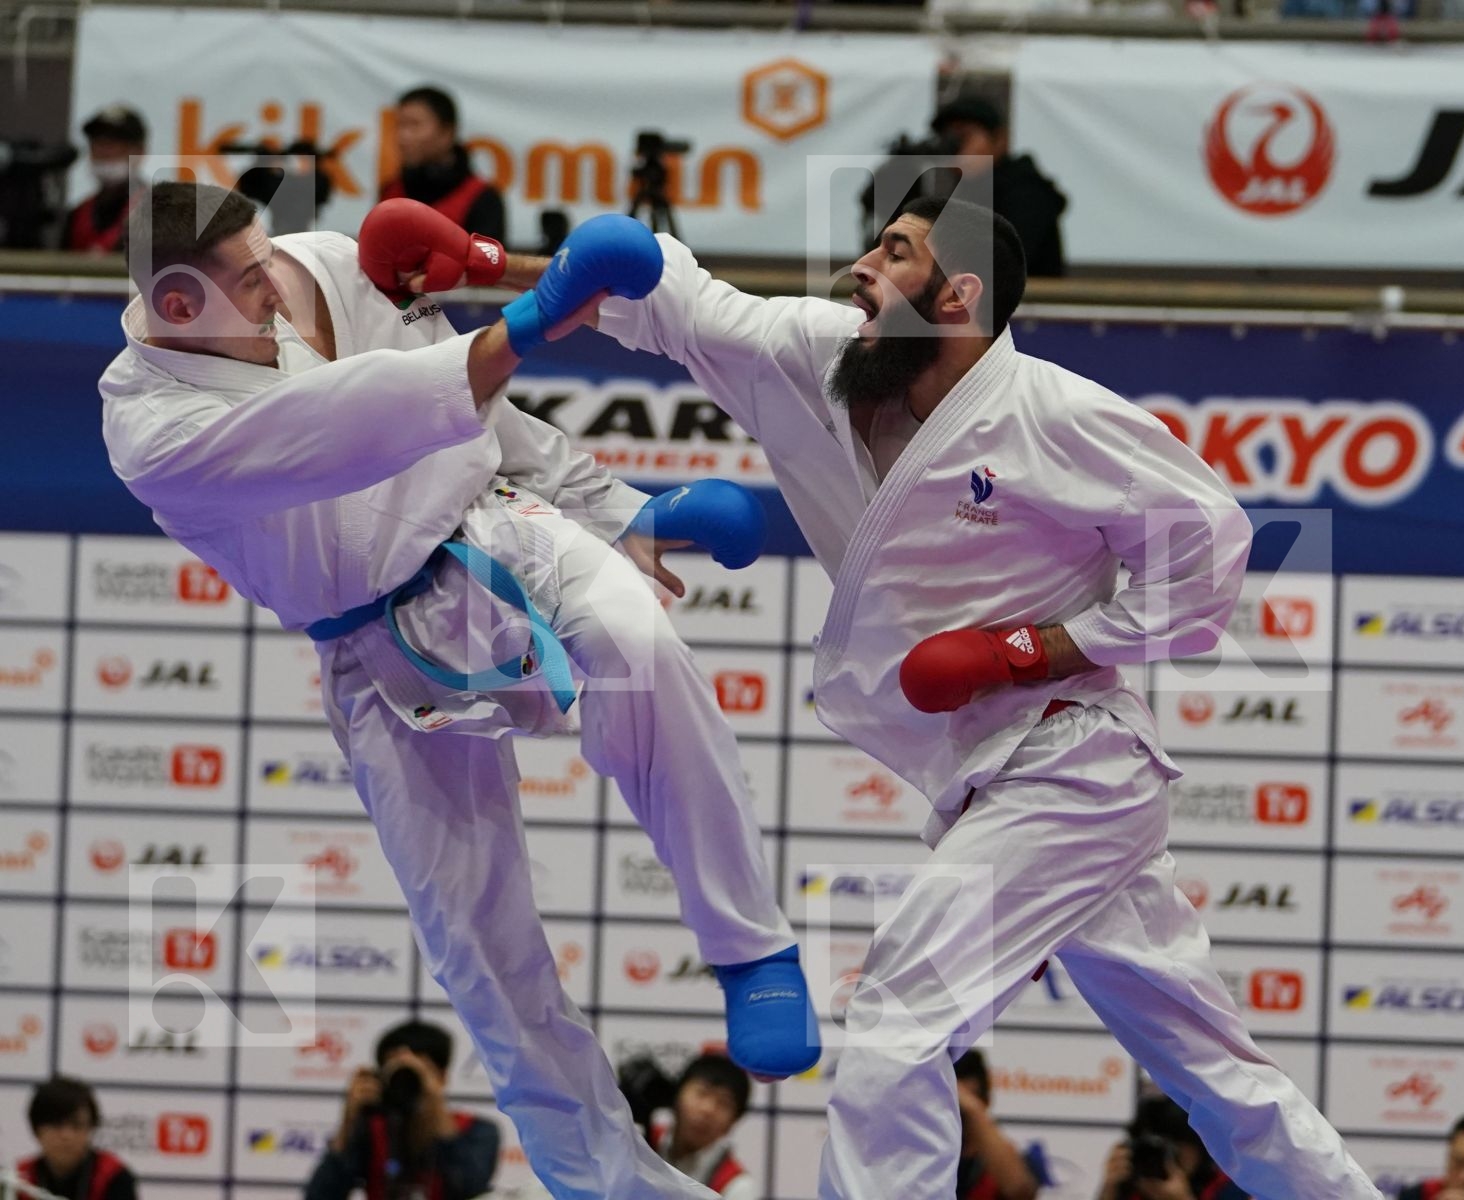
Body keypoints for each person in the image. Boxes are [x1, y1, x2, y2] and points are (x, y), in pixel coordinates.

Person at [578, 195, 1382, 1199]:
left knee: (899, 1020)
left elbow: (1210, 543)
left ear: (956, 297)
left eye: (895, 252)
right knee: (1216, 1074)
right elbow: (677, 302)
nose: (861, 267)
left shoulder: (1050, 413)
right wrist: (515, 275)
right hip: (1006, 785)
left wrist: (1027, 648)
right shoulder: (821, 354)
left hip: (1070, 764)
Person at [99, 180, 817, 1200]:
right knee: (483, 948)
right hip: (373, 652)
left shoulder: (317, 265)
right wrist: (525, 316)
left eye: (266, 257)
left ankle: (753, 951)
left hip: (496, 526)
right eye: (248, 278)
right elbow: (363, 414)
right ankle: (614, 1188)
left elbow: (482, 411)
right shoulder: (155, 430)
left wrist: (618, 513)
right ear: (180, 309)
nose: (275, 279)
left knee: (636, 637)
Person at [305, 1020, 500, 1200]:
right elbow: (320, 1196)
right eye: (397, 1072)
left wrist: (434, 1105)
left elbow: (471, 1188)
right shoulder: (372, 1129)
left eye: (422, 1070)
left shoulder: (477, 1131)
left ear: (442, 1077)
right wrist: (348, 1122)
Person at [929, 97, 1066, 277]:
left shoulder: (1025, 191)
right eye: (948, 139)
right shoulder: (963, 190)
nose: (956, 148)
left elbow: (1006, 262)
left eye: (965, 136)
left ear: (999, 140)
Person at [383, 85, 507, 242]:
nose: (402, 137)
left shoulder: (483, 199)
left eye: (414, 125)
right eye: (400, 125)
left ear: (447, 132)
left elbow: (488, 263)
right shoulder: (391, 191)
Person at [644, 1054, 759, 1198]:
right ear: (677, 1095)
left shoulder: (736, 1186)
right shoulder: (642, 1140)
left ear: (734, 1121)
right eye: (701, 1093)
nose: (707, 1110)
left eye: (723, 1103)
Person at [1096, 1096, 1246, 1200]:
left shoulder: (1227, 1190)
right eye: (1156, 1146)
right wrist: (1109, 1191)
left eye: (1176, 1145)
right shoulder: (1130, 1186)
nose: (1165, 1155)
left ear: (1201, 1146)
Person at [12, 1076, 138, 1200]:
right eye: (56, 1124)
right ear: (37, 1130)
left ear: (91, 1128)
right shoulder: (18, 1180)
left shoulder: (114, 1177)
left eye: (76, 1125)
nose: (66, 1135)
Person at [953, 1050, 1038, 1200]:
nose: (958, 1114)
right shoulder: (923, 1154)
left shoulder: (999, 1161)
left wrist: (972, 1110)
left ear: (985, 1101)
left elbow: (1021, 1191)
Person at [61, 105, 146, 254]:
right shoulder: (77, 215)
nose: (104, 152)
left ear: (139, 152)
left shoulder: (159, 212)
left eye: (114, 144)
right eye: (98, 143)